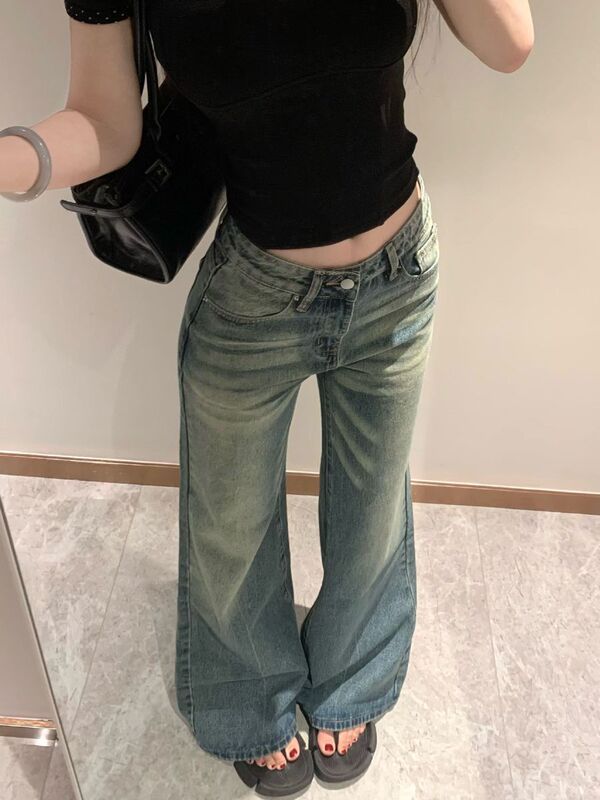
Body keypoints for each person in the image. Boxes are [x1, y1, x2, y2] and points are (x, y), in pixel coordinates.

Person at [0, 1, 533, 796]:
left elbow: (510, 43)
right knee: (231, 528)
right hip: (255, 300)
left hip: (400, 277)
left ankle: (352, 683)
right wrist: (13, 159)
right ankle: (249, 701)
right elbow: (106, 121)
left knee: (373, 511)